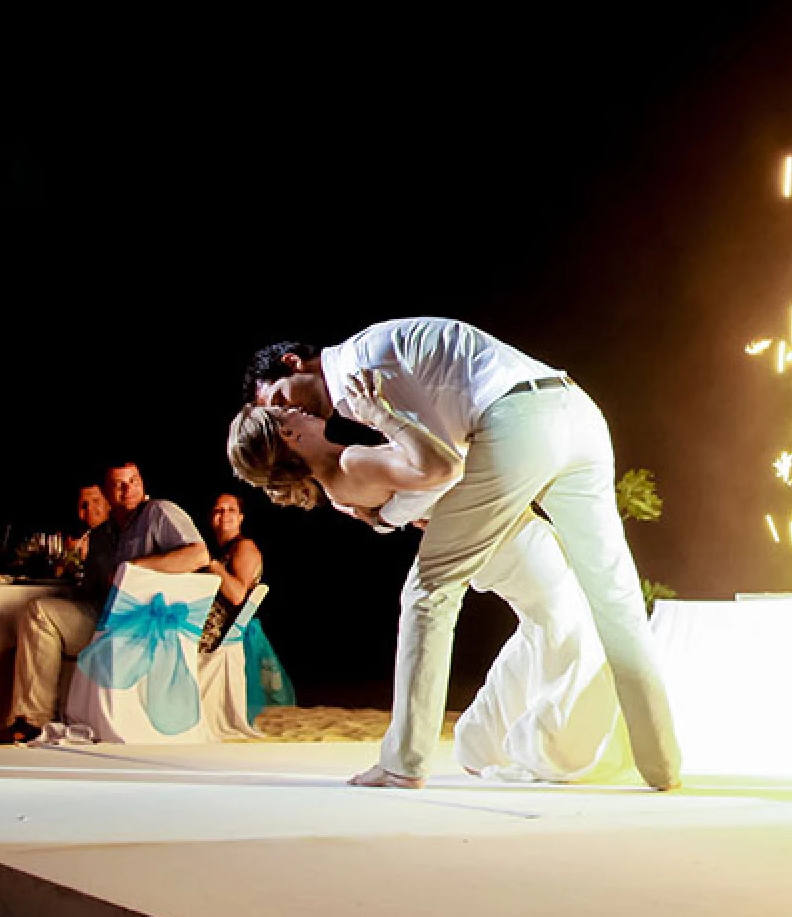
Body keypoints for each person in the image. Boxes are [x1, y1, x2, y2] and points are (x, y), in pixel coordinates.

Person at [238, 318, 680, 790]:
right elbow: (434, 457)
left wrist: (390, 516)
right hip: (576, 410)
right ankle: (661, 762)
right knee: (616, 598)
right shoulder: (374, 353)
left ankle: (403, 763)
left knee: (428, 592)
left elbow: (440, 464)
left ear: (294, 363)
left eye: (282, 400)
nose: (291, 413)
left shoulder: (355, 379)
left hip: (522, 421)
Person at [228, 405, 624, 781]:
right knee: (567, 623)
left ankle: (483, 737)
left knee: (545, 623)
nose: (300, 410)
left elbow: (415, 494)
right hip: (501, 537)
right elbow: (444, 472)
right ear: (289, 434)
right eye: (286, 413)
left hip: (485, 537)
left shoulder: (338, 482)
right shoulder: (351, 463)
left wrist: (395, 515)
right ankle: (548, 746)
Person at [1, 460, 208, 742]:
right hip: (105, 620)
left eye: (133, 481)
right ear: (107, 492)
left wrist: (136, 566)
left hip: (141, 626)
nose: (128, 490)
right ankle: (32, 720)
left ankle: (35, 716)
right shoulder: (100, 535)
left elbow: (198, 556)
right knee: (38, 612)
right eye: (119, 485)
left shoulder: (158, 512)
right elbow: (91, 593)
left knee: (40, 612)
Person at [198, 492, 264, 651]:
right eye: (218, 510)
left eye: (231, 510)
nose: (224, 514)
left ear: (241, 517)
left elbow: (237, 595)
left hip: (216, 638)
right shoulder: (219, 550)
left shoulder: (244, 546)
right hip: (202, 627)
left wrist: (212, 565)